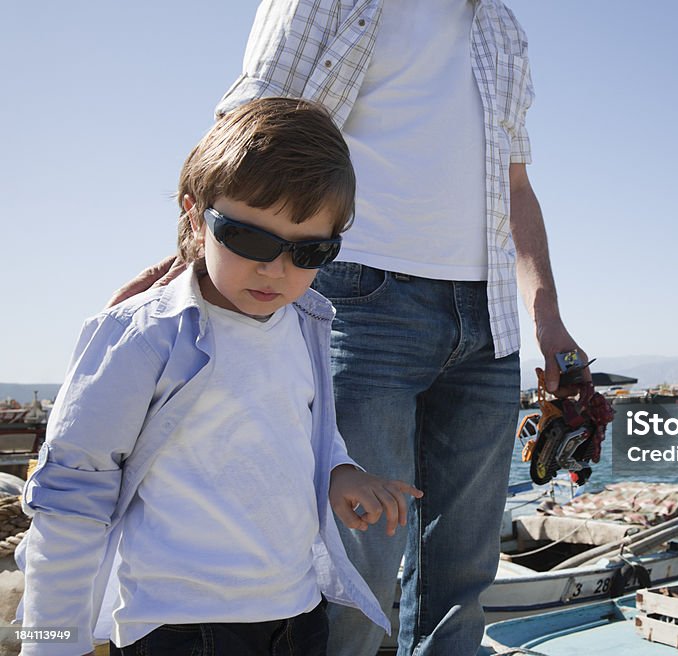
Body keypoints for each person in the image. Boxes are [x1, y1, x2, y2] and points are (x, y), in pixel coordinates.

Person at [109, 2, 591, 654]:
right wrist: (192, 268)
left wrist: (548, 321)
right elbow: (246, 127)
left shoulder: (501, 26)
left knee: (463, 580)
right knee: (353, 569)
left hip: (488, 326)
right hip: (353, 303)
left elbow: (517, 186)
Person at [17, 97, 421, 656]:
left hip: (298, 613)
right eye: (250, 239)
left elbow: (302, 430)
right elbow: (70, 497)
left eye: (310, 251)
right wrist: (51, 645)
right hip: (182, 629)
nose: (275, 268)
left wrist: (340, 470)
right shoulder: (143, 336)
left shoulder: (306, 325)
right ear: (194, 214)